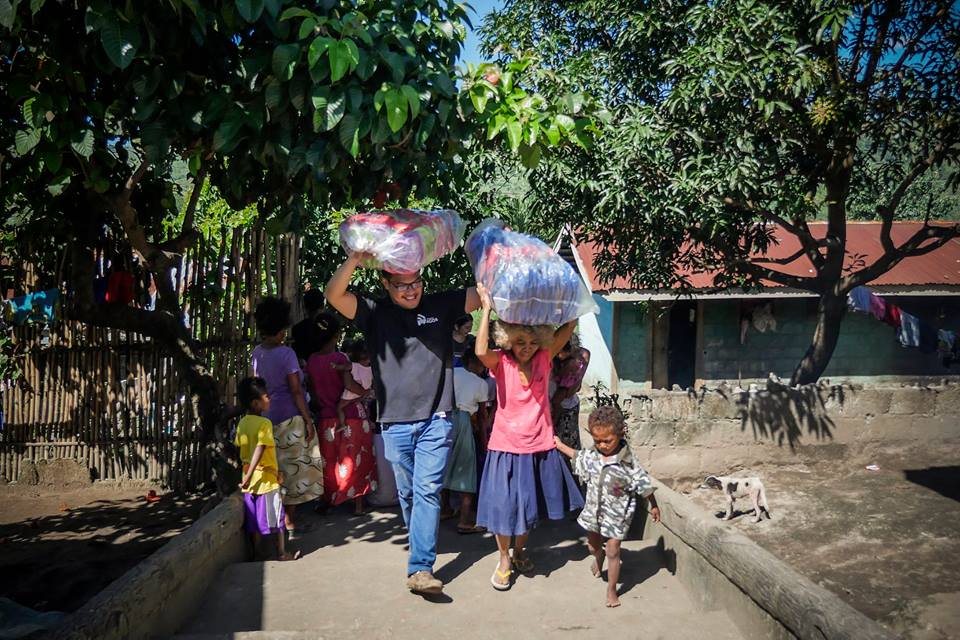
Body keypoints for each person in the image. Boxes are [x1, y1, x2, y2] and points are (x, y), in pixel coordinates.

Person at [324, 253, 480, 595]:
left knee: (427, 491)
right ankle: (419, 543)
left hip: (436, 419)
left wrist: (491, 251)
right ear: (385, 284)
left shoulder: (441, 304)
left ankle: (421, 567)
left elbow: (484, 292)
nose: (411, 291)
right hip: (394, 422)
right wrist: (353, 259)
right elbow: (333, 294)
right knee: (409, 493)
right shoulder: (374, 312)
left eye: (416, 282)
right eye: (402, 285)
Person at [473, 283, 584, 591]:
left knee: (529, 509)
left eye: (533, 342)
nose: (527, 347)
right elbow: (480, 350)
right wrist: (486, 308)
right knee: (505, 508)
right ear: (507, 339)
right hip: (505, 446)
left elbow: (570, 324)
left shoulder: (544, 359)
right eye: (520, 341)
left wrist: (569, 296)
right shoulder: (501, 362)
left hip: (538, 445)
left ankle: (519, 552)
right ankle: (504, 558)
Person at [554, 405, 661, 608]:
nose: (602, 445)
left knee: (613, 549)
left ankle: (611, 590)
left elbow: (643, 481)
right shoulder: (593, 455)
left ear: (620, 434)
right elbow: (577, 456)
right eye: (597, 441)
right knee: (593, 545)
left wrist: (653, 504)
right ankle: (598, 555)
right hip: (594, 512)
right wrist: (559, 445)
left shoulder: (628, 461)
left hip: (618, 515)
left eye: (607, 441)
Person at [251, 297, 324, 540]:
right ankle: (289, 519)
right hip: (290, 417)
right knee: (294, 470)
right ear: (282, 329)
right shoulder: (287, 354)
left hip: (267, 417)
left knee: (276, 468)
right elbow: (295, 390)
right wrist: (308, 419)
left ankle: (276, 517)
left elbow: (257, 384)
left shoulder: (257, 353)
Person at [305, 315, 376, 517]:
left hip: (326, 418)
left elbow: (313, 390)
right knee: (356, 459)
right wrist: (364, 392)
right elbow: (349, 385)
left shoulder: (312, 360)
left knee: (330, 461)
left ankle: (329, 498)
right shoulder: (341, 359)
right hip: (351, 415)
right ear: (336, 335)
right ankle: (358, 505)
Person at [235, 376, 298, 561]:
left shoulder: (242, 423)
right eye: (266, 396)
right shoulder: (265, 424)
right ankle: (281, 553)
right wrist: (252, 474)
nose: (269, 399)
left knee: (254, 522)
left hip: (250, 482)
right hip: (265, 480)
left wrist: (247, 477)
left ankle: (256, 555)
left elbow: (241, 448)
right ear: (256, 403)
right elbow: (260, 449)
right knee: (277, 520)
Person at [439, 344, 490, 534]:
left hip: (443, 418)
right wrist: (484, 442)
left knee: (444, 464)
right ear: (473, 363)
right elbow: (483, 414)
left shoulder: (450, 373)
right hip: (464, 420)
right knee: (467, 468)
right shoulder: (480, 383)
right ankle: (465, 519)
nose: (483, 369)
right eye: (481, 365)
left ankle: (445, 508)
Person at [551, 335, 591, 451]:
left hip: (565, 406)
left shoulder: (574, 363)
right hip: (566, 404)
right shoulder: (582, 355)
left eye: (562, 352)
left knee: (563, 447)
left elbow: (565, 393)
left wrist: (553, 418)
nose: (559, 355)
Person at [335, 339, 373, 431]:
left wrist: (335, 366)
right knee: (365, 406)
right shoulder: (372, 368)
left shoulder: (353, 365)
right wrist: (365, 392)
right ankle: (369, 420)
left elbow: (348, 385)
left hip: (351, 397)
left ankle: (342, 423)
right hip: (363, 398)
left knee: (339, 407)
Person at [291, 288, 327, 363]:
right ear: (322, 306)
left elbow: (298, 356)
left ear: (305, 307)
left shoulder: (297, 329)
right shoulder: (329, 327)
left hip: (306, 371)